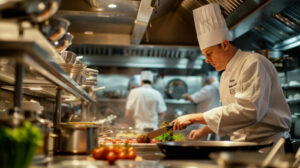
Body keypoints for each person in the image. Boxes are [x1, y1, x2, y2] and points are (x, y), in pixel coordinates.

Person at [172, 3, 291, 147]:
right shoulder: (225, 75)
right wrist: (204, 130)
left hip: (269, 147)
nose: (207, 60)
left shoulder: (253, 63)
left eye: (209, 53)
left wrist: (195, 118)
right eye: (204, 55)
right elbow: (233, 116)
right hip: (244, 146)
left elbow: (249, 111)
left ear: (224, 45)